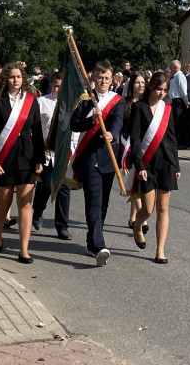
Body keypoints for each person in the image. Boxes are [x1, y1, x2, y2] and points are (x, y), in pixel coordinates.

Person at [0, 63, 45, 264]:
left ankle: (24, 249)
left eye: (19, 76)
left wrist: (39, 159)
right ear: (5, 79)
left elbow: (37, 131)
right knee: (4, 201)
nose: (15, 80)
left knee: (25, 203)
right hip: (5, 158)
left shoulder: (31, 101)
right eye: (11, 77)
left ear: (24, 79)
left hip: (27, 157)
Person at [70, 60, 125, 266]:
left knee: (103, 204)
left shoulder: (117, 100)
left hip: (108, 157)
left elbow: (118, 120)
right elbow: (74, 125)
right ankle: (100, 245)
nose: (103, 81)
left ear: (112, 80)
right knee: (93, 201)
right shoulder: (85, 100)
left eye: (107, 78)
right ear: (93, 78)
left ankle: (92, 241)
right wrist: (91, 120)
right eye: (100, 77)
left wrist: (113, 134)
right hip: (88, 158)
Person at [129, 72, 181, 264]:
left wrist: (176, 164)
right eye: (159, 89)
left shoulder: (167, 109)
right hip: (147, 164)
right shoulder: (138, 107)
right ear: (151, 87)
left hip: (166, 162)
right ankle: (138, 225)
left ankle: (160, 250)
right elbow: (135, 139)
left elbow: (172, 139)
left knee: (163, 208)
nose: (162, 93)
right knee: (149, 209)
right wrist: (139, 164)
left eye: (165, 90)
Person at [32, 70, 74, 240]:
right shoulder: (41, 102)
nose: (58, 89)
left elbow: (74, 130)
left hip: (64, 152)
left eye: (62, 87)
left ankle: (62, 225)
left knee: (64, 188)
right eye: (56, 86)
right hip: (45, 151)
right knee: (46, 185)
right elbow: (35, 128)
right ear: (51, 85)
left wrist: (73, 150)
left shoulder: (71, 104)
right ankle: (38, 211)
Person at [120, 71, 148, 235]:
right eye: (137, 83)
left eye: (143, 83)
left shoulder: (148, 103)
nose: (140, 86)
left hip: (144, 147)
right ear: (132, 86)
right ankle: (141, 219)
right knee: (134, 182)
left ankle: (132, 218)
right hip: (129, 147)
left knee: (138, 182)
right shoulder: (126, 103)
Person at [167, 60, 190, 146]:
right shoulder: (175, 76)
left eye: (171, 67)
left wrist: (186, 101)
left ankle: (182, 142)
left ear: (175, 68)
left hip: (179, 100)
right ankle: (178, 140)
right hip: (175, 100)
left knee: (180, 121)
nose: (170, 69)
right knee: (176, 121)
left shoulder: (179, 76)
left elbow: (183, 90)